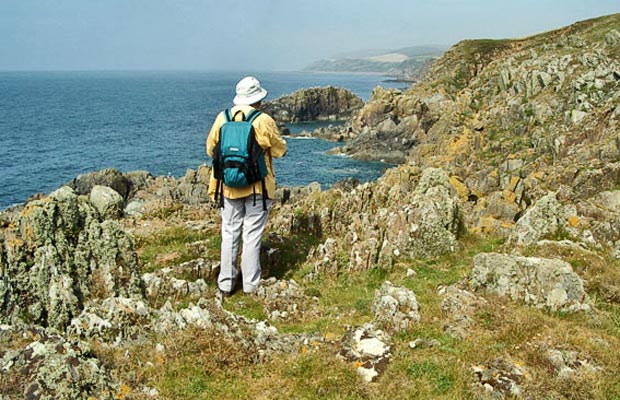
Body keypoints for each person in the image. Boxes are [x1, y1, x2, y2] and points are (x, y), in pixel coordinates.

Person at [206, 76, 287, 297]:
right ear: (258, 98)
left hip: (228, 186)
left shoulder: (222, 118)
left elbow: (210, 148)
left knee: (229, 233)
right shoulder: (263, 120)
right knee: (252, 235)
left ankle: (226, 283)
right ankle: (251, 285)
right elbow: (280, 150)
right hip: (257, 188)